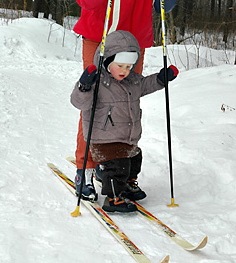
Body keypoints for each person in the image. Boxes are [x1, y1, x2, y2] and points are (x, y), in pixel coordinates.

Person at [72, 0, 178, 200]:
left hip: (135, 43)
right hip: (100, 37)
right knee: (95, 102)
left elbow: (165, 6)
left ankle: (121, 167)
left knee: (127, 103)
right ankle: (86, 167)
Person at [70, 30, 179, 213]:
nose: (125, 71)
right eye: (120, 65)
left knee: (135, 158)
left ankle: (127, 184)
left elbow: (146, 85)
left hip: (126, 138)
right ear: (107, 61)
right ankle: (113, 198)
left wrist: (161, 80)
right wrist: (84, 86)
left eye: (129, 66)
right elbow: (78, 102)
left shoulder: (132, 81)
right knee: (118, 166)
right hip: (104, 140)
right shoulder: (97, 83)